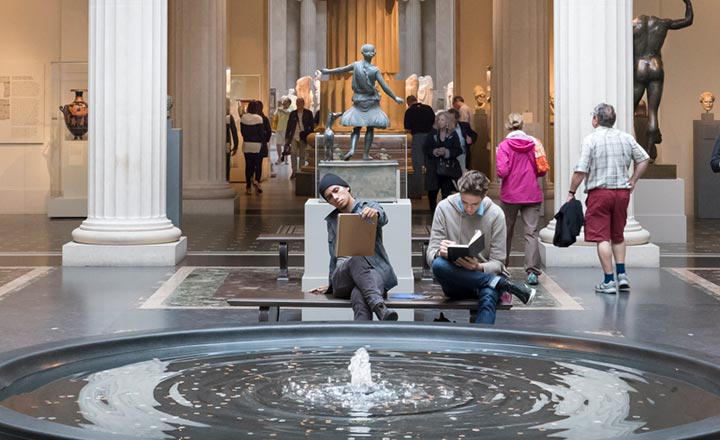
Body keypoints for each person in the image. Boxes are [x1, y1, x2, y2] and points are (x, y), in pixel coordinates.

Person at [427, 170, 536, 325]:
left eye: (474, 204)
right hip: (456, 281)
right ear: (459, 194)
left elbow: (498, 262)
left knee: (489, 293)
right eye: (464, 203)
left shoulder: (496, 214)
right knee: (439, 265)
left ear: (484, 197)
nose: (469, 209)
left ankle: (481, 345)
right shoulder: (444, 208)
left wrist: (478, 267)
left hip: (483, 275)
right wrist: (439, 252)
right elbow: (430, 256)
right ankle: (502, 284)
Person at [568, 103, 650, 294]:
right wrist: (633, 180)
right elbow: (644, 158)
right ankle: (622, 275)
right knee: (618, 235)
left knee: (602, 237)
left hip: (600, 193)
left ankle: (608, 281)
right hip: (622, 193)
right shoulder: (626, 138)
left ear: (596, 120)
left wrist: (571, 192)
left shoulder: (591, 139)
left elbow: (580, 170)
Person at [310, 173, 399, 321]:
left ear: (347, 187)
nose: (335, 197)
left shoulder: (369, 207)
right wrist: (331, 285)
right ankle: (380, 307)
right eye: (329, 197)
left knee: (359, 294)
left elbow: (382, 216)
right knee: (356, 259)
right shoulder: (332, 220)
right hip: (342, 278)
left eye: (336, 190)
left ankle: (361, 340)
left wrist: (375, 213)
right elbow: (334, 256)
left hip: (372, 275)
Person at [317, 43, 404, 160]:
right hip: (371, 101)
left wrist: (328, 72)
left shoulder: (356, 65)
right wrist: (395, 97)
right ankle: (365, 154)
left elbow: (341, 70)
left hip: (359, 100)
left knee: (357, 127)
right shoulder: (374, 70)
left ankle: (352, 149)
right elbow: (384, 87)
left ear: (362, 53)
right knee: (370, 128)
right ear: (374, 54)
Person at [633, 0, 694, 161]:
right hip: (656, 65)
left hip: (639, 66)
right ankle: (649, 153)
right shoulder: (662, 23)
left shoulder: (633, 25)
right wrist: (687, 2)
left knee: (629, 110)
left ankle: (633, 151)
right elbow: (688, 20)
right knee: (652, 112)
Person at [496, 113, 546, 286]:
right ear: (522, 125)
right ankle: (532, 272)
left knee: (505, 232)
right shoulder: (535, 144)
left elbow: (502, 172)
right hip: (532, 192)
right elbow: (542, 170)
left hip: (511, 194)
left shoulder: (504, 146)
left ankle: (501, 267)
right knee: (531, 233)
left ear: (507, 126)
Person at [425, 111, 463, 213]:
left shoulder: (453, 134)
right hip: (434, 168)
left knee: (446, 193)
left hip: (447, 170)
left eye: (443, 120)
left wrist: (446, 152)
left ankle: (445, 214)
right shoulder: (432, 134)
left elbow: (458, 150)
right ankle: (433, 213)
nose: (440, 122)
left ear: (447, 121)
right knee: (432, 192)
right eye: (439, 120)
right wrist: (435, 151)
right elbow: (426, 148)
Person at [404, 95, 436, 198]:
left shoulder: (409, 111)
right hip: (430, 138)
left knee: (417, 166)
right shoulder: (428, 108)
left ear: (408, 103)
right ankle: (430, 190)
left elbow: (407, 128)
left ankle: (418, 192)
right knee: (429, 165)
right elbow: (434, 122)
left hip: (417, 137)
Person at [240, 100, 271, 195]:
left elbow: (243, 132)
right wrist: (264, 141)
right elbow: (261, 133)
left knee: (248, 165)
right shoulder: (259, 118)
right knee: (258, 164)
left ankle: (248, 185)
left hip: (247, 145)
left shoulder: (243, 118)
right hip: (257, 145)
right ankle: (257, 181)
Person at [283, 97, 314, 179]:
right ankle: (294, 170)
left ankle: (301, 170)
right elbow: (289, 126)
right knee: (293, 153)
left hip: (303, 136)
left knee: (302, 154)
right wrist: (287, 137)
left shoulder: (308, 113)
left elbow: (312, 126)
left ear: (303, 104)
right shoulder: (293, 114)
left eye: (300, 102)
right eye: (297, 102)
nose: (298, 104)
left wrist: (310, 136)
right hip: (294, 136)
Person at [448, 107, 478, 172]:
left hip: (463, 155)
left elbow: (474, 135)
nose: (450, 120)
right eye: (448, 118)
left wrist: (471, 139)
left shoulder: (464, 126)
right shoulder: (445, 128)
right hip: (451, 157)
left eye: (452, 118)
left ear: (457, 118)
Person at [272, 96, 292, 165]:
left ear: (289, 103)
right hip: (279, 128)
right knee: (278, 144)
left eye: (286, 102)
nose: (284, 103)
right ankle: (279, 158)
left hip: (286, 129)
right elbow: (274, 114)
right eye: (284, 101)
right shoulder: (279, 109)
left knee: (286, 144)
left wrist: (279, 108)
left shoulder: (291, 110)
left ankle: (286, 159)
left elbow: (286, 112)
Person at [225, 97, 239, 182]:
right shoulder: (229, 117)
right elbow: (234, 132)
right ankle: (226, 179)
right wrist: (235, 145)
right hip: (226, 142)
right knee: (226, 163)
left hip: (222, 143)